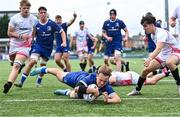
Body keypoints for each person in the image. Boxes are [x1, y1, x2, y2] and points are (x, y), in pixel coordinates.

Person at [128, 14, 180, 96]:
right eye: (143, 26)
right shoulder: (152, 35)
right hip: (164, 54)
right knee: (145, 70)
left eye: (145, 26)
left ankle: (179, 84)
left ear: (152, 25)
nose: (144, 28)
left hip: (175, 52)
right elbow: (160, 50)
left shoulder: (161, 33)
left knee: (169, 62)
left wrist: (149, 59)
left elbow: (158, 49)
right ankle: (137, 90)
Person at [14, 6, 66, 88]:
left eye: (44, 12)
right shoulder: (36, 24)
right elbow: (33, 34)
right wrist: (31, 40)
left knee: (42, 66)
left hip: (48, 48)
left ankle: (39, 80)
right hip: (38, 46)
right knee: (32, 62)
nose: (43, 14)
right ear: (39, 14)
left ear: (46, 14)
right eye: (41, 13)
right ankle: (21, 82)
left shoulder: (51, 23)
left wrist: (64, 42)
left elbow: (62, 31)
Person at [29, 65, 121, 104]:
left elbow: (118, 99)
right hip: (77, 78)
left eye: (104, 81)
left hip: (82, 88)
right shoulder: (90, 78)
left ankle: (66, 92)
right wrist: (92, 90)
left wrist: (108, 101)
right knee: (59, 75)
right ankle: (44, 69)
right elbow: (77, 88)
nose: (102, 83)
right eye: (100, 80)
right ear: (97, 76)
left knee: (76, 96)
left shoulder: (106, 85)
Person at [3, 0, 37, 94]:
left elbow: (34, 30)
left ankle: (8, 84)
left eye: (28, 8)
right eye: (24, 8)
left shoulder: (33, 19)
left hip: (25, 46)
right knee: (13, 61)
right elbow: (9, 33)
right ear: (20, 8)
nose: (26, 10)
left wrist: (32, 39)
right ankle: (21, 65)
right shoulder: (14, 18)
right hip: (14, 44)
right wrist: (21, 36)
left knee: (16, 65)